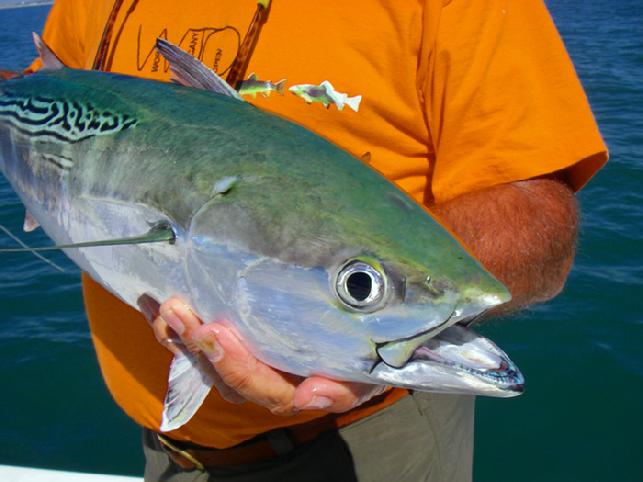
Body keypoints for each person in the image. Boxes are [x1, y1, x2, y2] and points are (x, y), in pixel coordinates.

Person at [26, 1, 607, 481]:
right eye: (360, 286)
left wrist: (354, 321)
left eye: (359, 287)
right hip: (165, 452)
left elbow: (537, 216)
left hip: (369, 449)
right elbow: (39, 96)